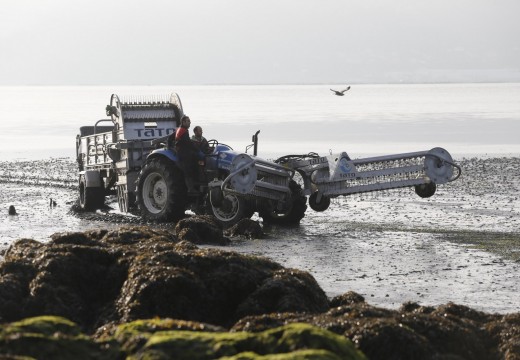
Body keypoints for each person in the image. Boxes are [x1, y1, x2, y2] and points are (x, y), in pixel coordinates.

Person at [173, 116, 201, 193]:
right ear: (183, 122)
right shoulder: (183, 131)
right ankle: (191, 189)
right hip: (184, 154)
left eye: (189, 121)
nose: (189, 122)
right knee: (189, 171)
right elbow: (188, 143)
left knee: (189, 171)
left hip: (183, 152)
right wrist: (197, 150)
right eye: (188, 121)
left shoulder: (180, 130)